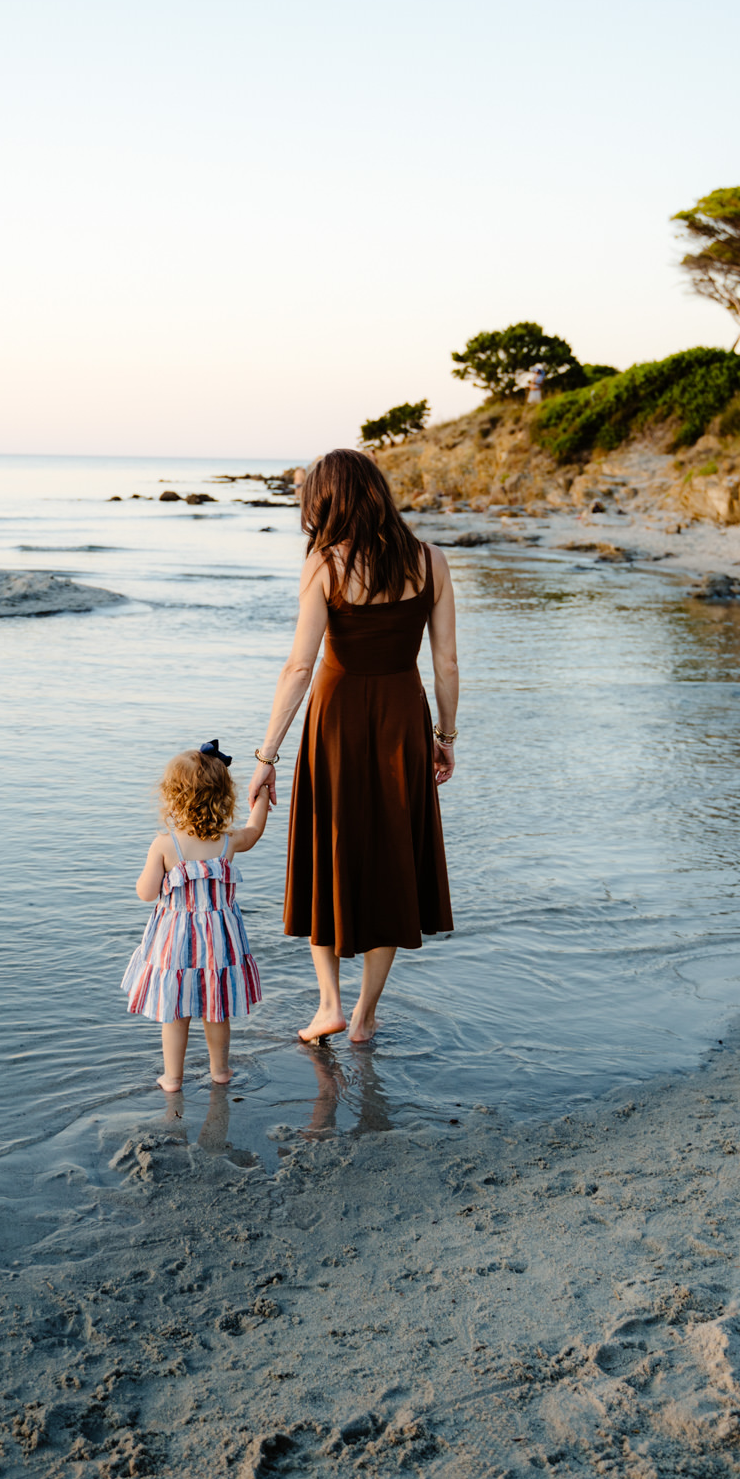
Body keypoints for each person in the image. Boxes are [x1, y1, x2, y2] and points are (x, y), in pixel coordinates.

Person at [248, 448, 457, 1046]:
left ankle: (330, 1006)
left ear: (328, 500)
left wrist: (266, 758)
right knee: (392, 859)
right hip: (402, 721)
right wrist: (444, 736)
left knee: (325, 851)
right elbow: (446, 660)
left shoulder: (324, 564)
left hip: (335, 720)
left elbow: (298, 667)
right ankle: (364, 1016)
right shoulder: (430, 560)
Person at [125, 739, 270, 1093]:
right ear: (223, 796)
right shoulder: (227, 841)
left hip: (176, 941)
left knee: (176, 1012)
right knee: (215, 1009)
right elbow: (254, 831)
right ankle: (220, 1071)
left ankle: (172, 1078)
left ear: (173, 797)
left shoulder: (165, 844)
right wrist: (263, 793)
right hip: (220, 939)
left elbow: (146, 893)